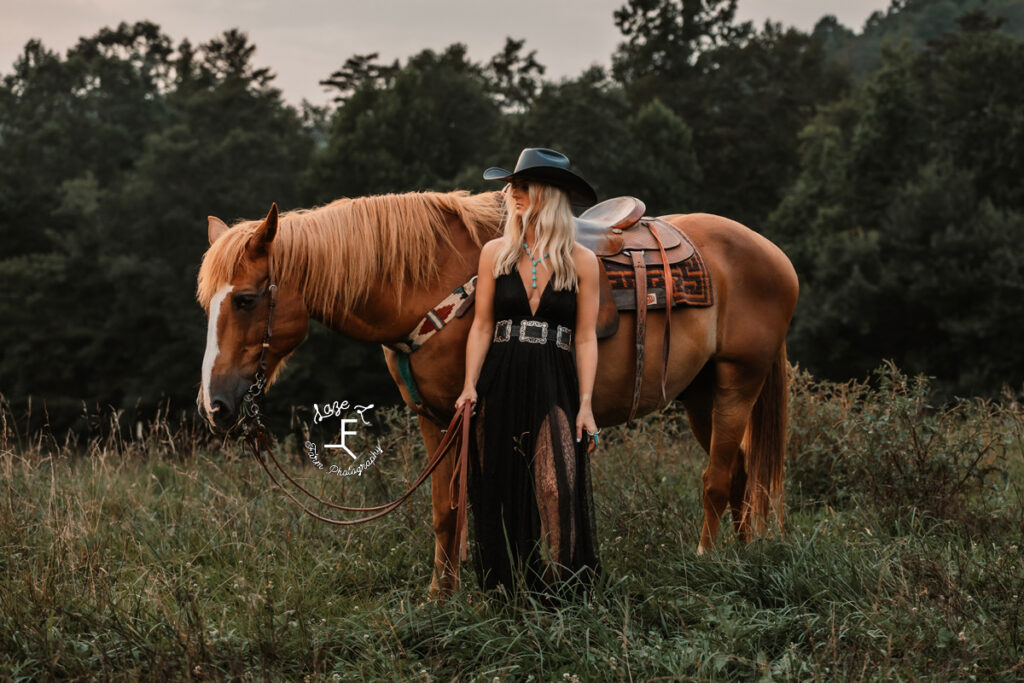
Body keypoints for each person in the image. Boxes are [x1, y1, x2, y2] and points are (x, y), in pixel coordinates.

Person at [454, 148, 603, 598]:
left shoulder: (582, 261)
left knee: (556, 486)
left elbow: (585, 338)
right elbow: (481, 325)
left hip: (553, 375)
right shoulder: (494, 253)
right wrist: (468, 386)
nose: (511, 193)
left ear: (549, 195)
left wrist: (587, 406)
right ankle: (505, 591)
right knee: (497, 483)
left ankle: (562, 593)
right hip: (501, 372)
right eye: (511, 186)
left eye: (523, 186)